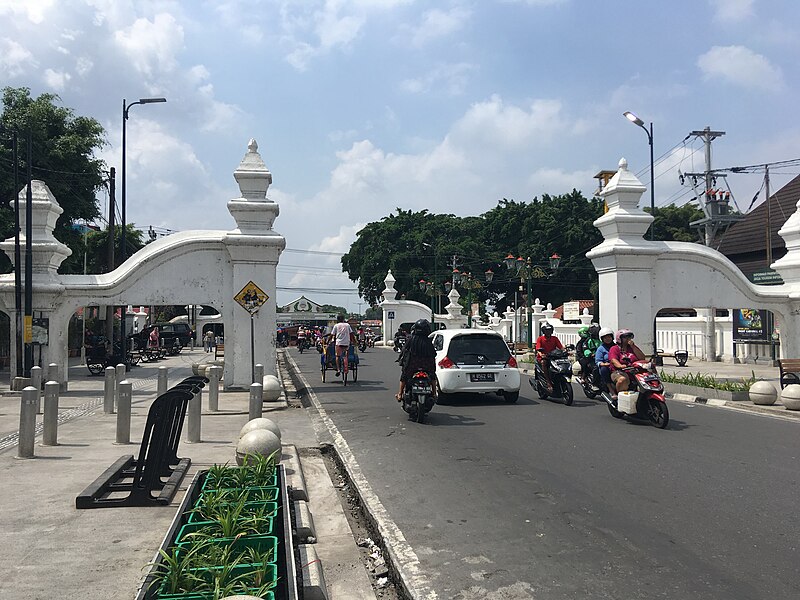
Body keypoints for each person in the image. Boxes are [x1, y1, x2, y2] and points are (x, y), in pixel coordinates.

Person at [396, 319, 436, 401]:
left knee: (404, 376)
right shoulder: (428, 341)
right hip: (427, 366)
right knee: (432, 376)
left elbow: (404, 351)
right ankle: (434, 393)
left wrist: (401, 360)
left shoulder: (411, 339)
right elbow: (433, 354)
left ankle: (400, 394)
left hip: (412, 366)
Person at [608, 329, 646, 394]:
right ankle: (620, 397)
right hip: (619, 371)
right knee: (622, 380)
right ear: (619, 339)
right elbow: (613, 360)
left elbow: (642, 358)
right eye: (625, 337)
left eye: (629, 337)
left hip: (633, 371)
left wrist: (633, 346)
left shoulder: (632, 348)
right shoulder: (614, 348)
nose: (628, 339)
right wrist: (620, 366)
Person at [535, 322, 563, 391]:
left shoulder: (554, 338)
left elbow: (561, 347)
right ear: (544, 331)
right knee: (543, 363)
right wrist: (541, 354)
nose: (548, 332)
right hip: (544, 357)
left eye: (550, 330)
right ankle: (548, 382)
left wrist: (565, 351)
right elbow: (538, 348)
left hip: (553, 357)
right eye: (547, 330)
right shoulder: (540, 339)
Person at [594, 327, 617, 397]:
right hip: (607, 367)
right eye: (605, 338)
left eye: (609, 337)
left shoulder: (617, 346)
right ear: (602, 339)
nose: (608, 339)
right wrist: (603, 364)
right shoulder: (601, 349)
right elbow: (598, 361)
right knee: (604, 369)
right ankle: (611, 390)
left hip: (617, 365)